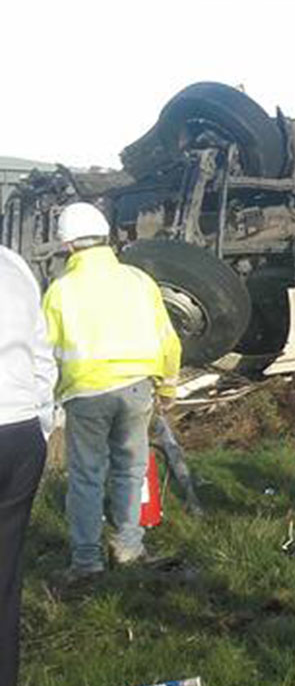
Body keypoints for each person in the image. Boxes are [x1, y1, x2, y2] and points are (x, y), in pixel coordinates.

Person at [40, 203, 180, 582]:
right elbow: (169, 340)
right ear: (106, 238)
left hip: (86, 394)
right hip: (137, 389)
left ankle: (87, 562)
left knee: (86, 476)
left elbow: (45, 352)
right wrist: (167, 385)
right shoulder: (138, 280)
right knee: (129, 470)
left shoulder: (60, 291)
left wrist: (48, 400)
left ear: (68, 245)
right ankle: (128, 548)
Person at [0, 243, 56, 686]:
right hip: (18, 433)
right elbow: (42, 359)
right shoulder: (13, 265)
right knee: (5, 587)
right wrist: (39, 428)